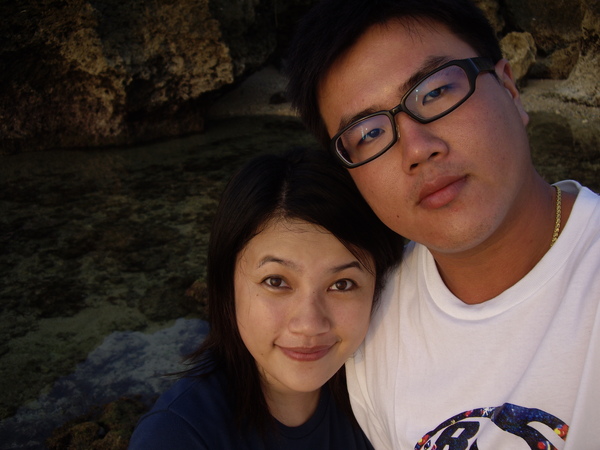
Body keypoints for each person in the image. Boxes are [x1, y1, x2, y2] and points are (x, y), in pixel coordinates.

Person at [284, 0, 600, 448]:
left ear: (511, 91)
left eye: (435, 93)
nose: (417, 149)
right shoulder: (370, 327)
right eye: (369, 133)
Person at [128, 147, 404, 449]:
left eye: (342, 284)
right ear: (227, 284)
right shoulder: (176, 435)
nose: (309, 324)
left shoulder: (391, 395)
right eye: (276, 281)